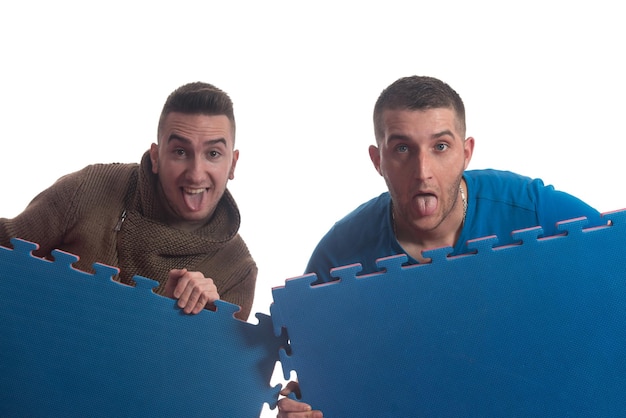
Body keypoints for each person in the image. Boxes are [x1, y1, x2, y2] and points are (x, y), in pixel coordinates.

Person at [276, 75, 605, 416]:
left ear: (466, 153)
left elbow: (613, 261)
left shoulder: (531, 208)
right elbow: (317, 376)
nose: (423, 171)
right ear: (378, 161)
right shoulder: (336, 258)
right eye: (402, 149)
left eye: (441, 147)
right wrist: (304, 405)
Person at [0, 82, 257, 321]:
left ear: (232, 164)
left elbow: (202, 367)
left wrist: (193, 324)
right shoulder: (88, 188)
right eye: (180, 152)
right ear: (156, 157)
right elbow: (6, 251)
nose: (196, 173)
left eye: (213, 154)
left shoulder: (238, 270)